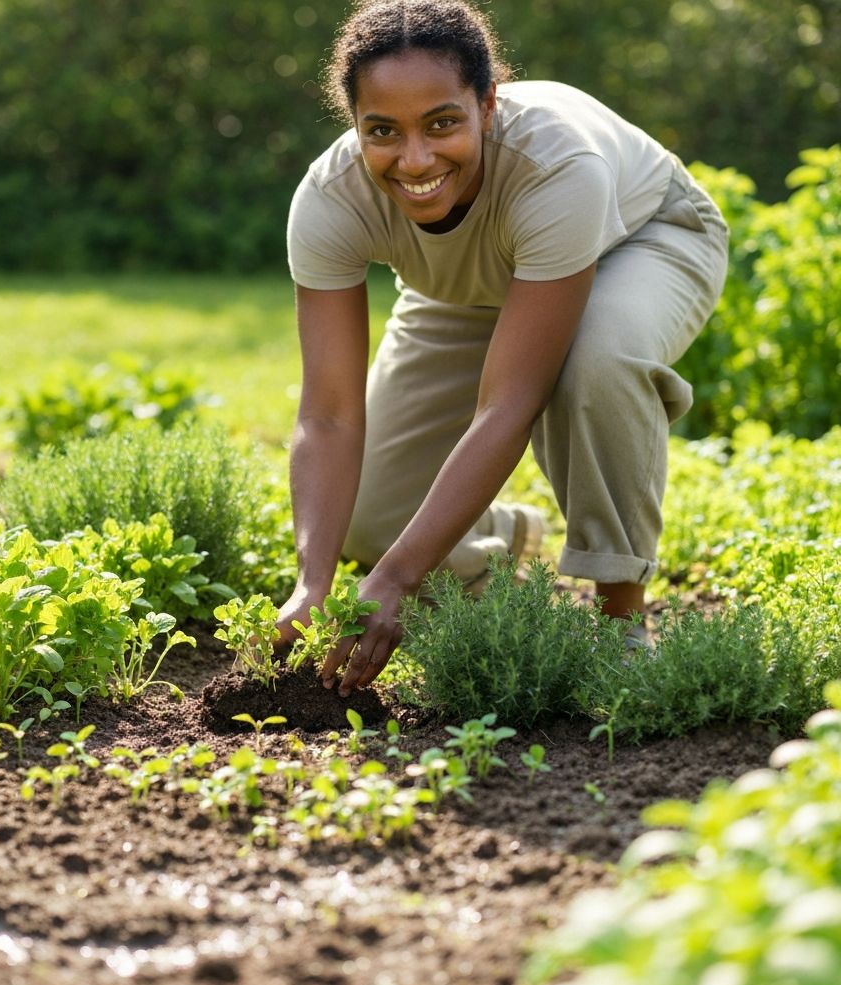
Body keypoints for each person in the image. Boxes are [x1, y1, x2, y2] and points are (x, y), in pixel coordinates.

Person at [275, 0, 729, 697]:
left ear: (487, 105)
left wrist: (397, 579)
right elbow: (329, 414)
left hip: (639, 239)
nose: (415, 159)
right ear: (355, 125)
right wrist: (314, 583)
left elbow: (509, 404)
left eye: (442, 123)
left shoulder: (557, 165)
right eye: (383, 131)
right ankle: (505, 536)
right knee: (372, 520)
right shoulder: (331, 199)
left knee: (596, 362)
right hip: (468, 287)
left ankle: (620, 621)